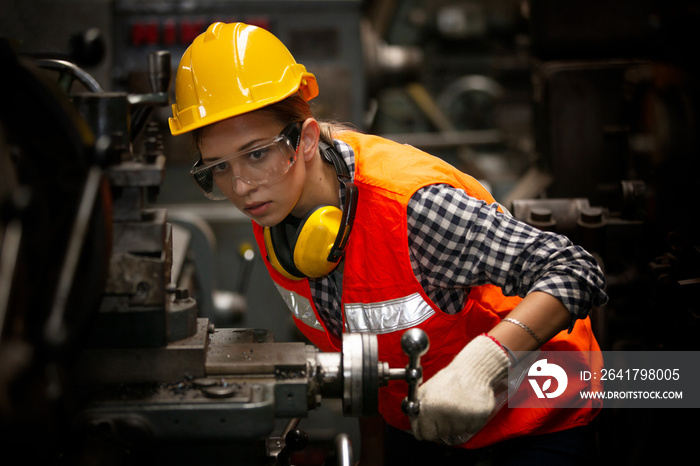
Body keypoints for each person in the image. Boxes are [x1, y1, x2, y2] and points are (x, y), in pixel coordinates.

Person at [169, 22, 608, 465]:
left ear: (303, 141)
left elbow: (574, 270)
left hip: (535, 415)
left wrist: (484, 365)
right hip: (424, 420)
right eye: (218, 168)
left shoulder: (413, 208)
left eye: (256, 154)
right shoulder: (277, 217)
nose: (240, 186)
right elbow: (361, 352)